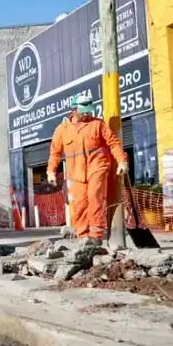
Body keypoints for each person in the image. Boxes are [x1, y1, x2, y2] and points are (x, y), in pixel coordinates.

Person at [47, 95, 129, 244]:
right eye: (84, 110)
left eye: (89, 110)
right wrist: (51, 171)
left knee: (95, 198)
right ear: (74, 109)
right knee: (79, 205)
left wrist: (122, 161)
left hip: (97, 166)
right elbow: (55, 152)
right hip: (75, 173)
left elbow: (113, 143)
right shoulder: (62, 130)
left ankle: (96, 236)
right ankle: (83, 237)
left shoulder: (98, 124)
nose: (88, 113)